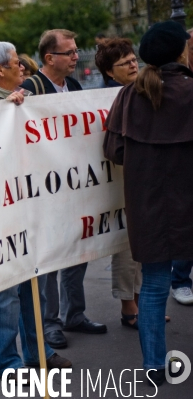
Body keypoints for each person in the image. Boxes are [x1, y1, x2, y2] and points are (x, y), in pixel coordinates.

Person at [0, 41, 72, 375]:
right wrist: (6, 115)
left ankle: (36, 351)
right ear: (0, 70)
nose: (23, 68)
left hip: (24, 209)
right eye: (16, 63)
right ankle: (8, 364)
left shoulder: (18, 103)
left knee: (33, 286)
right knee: (3, 294)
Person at [103, 20, 193, 386]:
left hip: (148, 207)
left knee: (154, 287)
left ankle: (153, 365)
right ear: (181, 51)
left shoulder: (127, 96)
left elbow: (115, 150)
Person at [20, 29, 107, 350]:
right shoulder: (29, 89)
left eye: (75, 51)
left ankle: (75, 315)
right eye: (69, 52)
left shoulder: (71, 85)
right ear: (49, 58)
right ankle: (50, 323)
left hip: (72, 186)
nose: (75, 57)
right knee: (50, 259)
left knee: (76, 252)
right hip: (44, 192)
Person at [94, 38, 142, 328]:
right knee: (125, 245)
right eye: (124, 62)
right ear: (110, 72)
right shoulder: (106, 98)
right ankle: (129, 306)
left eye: (134, 59)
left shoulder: (138, 91)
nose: (133, 64)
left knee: (142, 246)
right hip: (118, 180)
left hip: (139, 180)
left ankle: (140, 301)